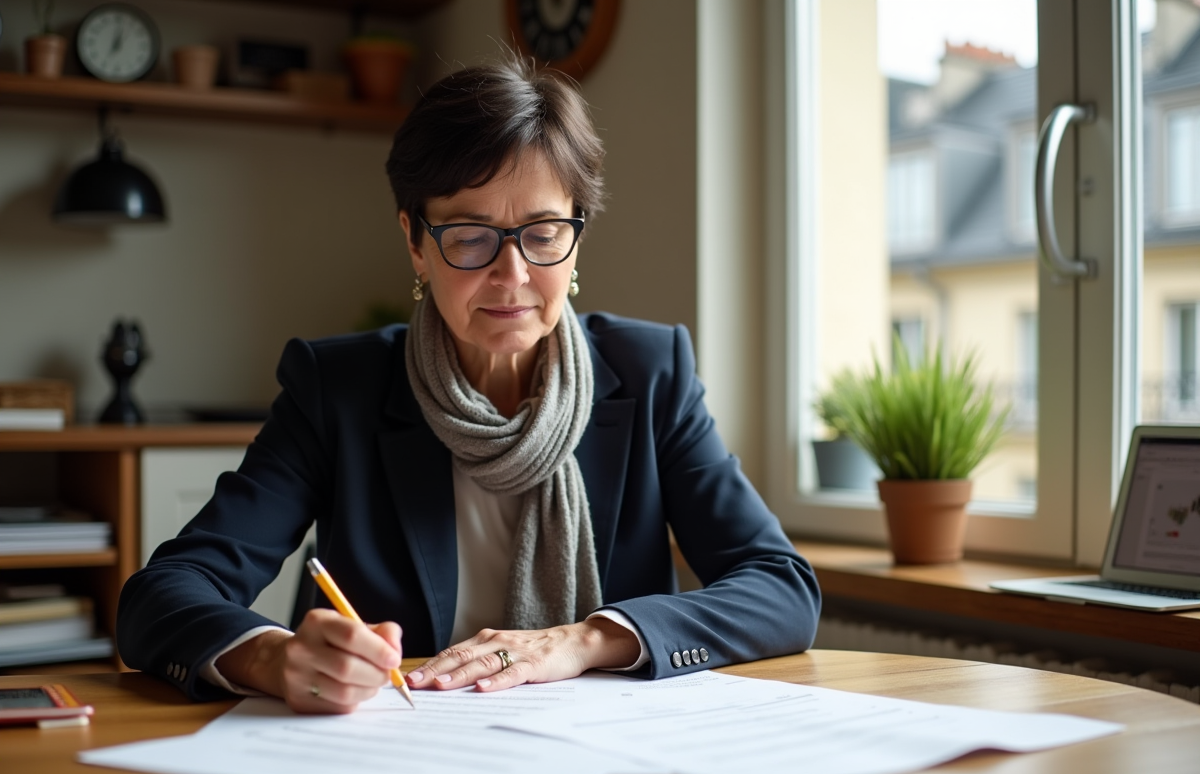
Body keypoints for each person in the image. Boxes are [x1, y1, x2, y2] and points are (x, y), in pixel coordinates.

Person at [117, 55, 821, 712]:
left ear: (577, 238)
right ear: (415, 243)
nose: (511, 276)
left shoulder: (651, 372)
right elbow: (160, 596)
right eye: (470, 235)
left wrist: (583, 640)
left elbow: (781, 588)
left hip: (602, 755)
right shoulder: (338, 389)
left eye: (543, 233)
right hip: (398, 753)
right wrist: (272, 657)